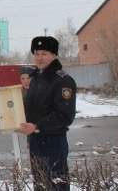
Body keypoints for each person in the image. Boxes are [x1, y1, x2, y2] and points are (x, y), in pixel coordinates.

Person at [18, 36, 77, 191]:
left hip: (53, 142)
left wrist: (37, 126)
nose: (39, 57)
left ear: (54, 55)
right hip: (35, 141)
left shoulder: (63, 80)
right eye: (37, 54)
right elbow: (33, 109)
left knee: (56, 185)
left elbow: (65, 116)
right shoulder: (35, 79)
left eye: (44, 53)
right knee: (40, 185)